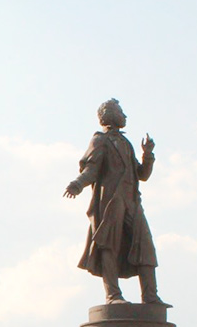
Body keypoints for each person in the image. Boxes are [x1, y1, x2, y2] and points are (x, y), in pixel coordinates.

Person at [64, 98, 166, 305]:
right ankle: (113, 296)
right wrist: (77, 184)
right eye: (121, 112)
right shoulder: (100, 140)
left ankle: (150, 296)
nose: (125, 116)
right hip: (111, 201)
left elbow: (142, 175)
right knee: (109, 245)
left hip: (132, 202)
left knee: (145, 245)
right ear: (109, 115)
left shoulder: (126, 143)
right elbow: (91, 170)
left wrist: (148, 154)